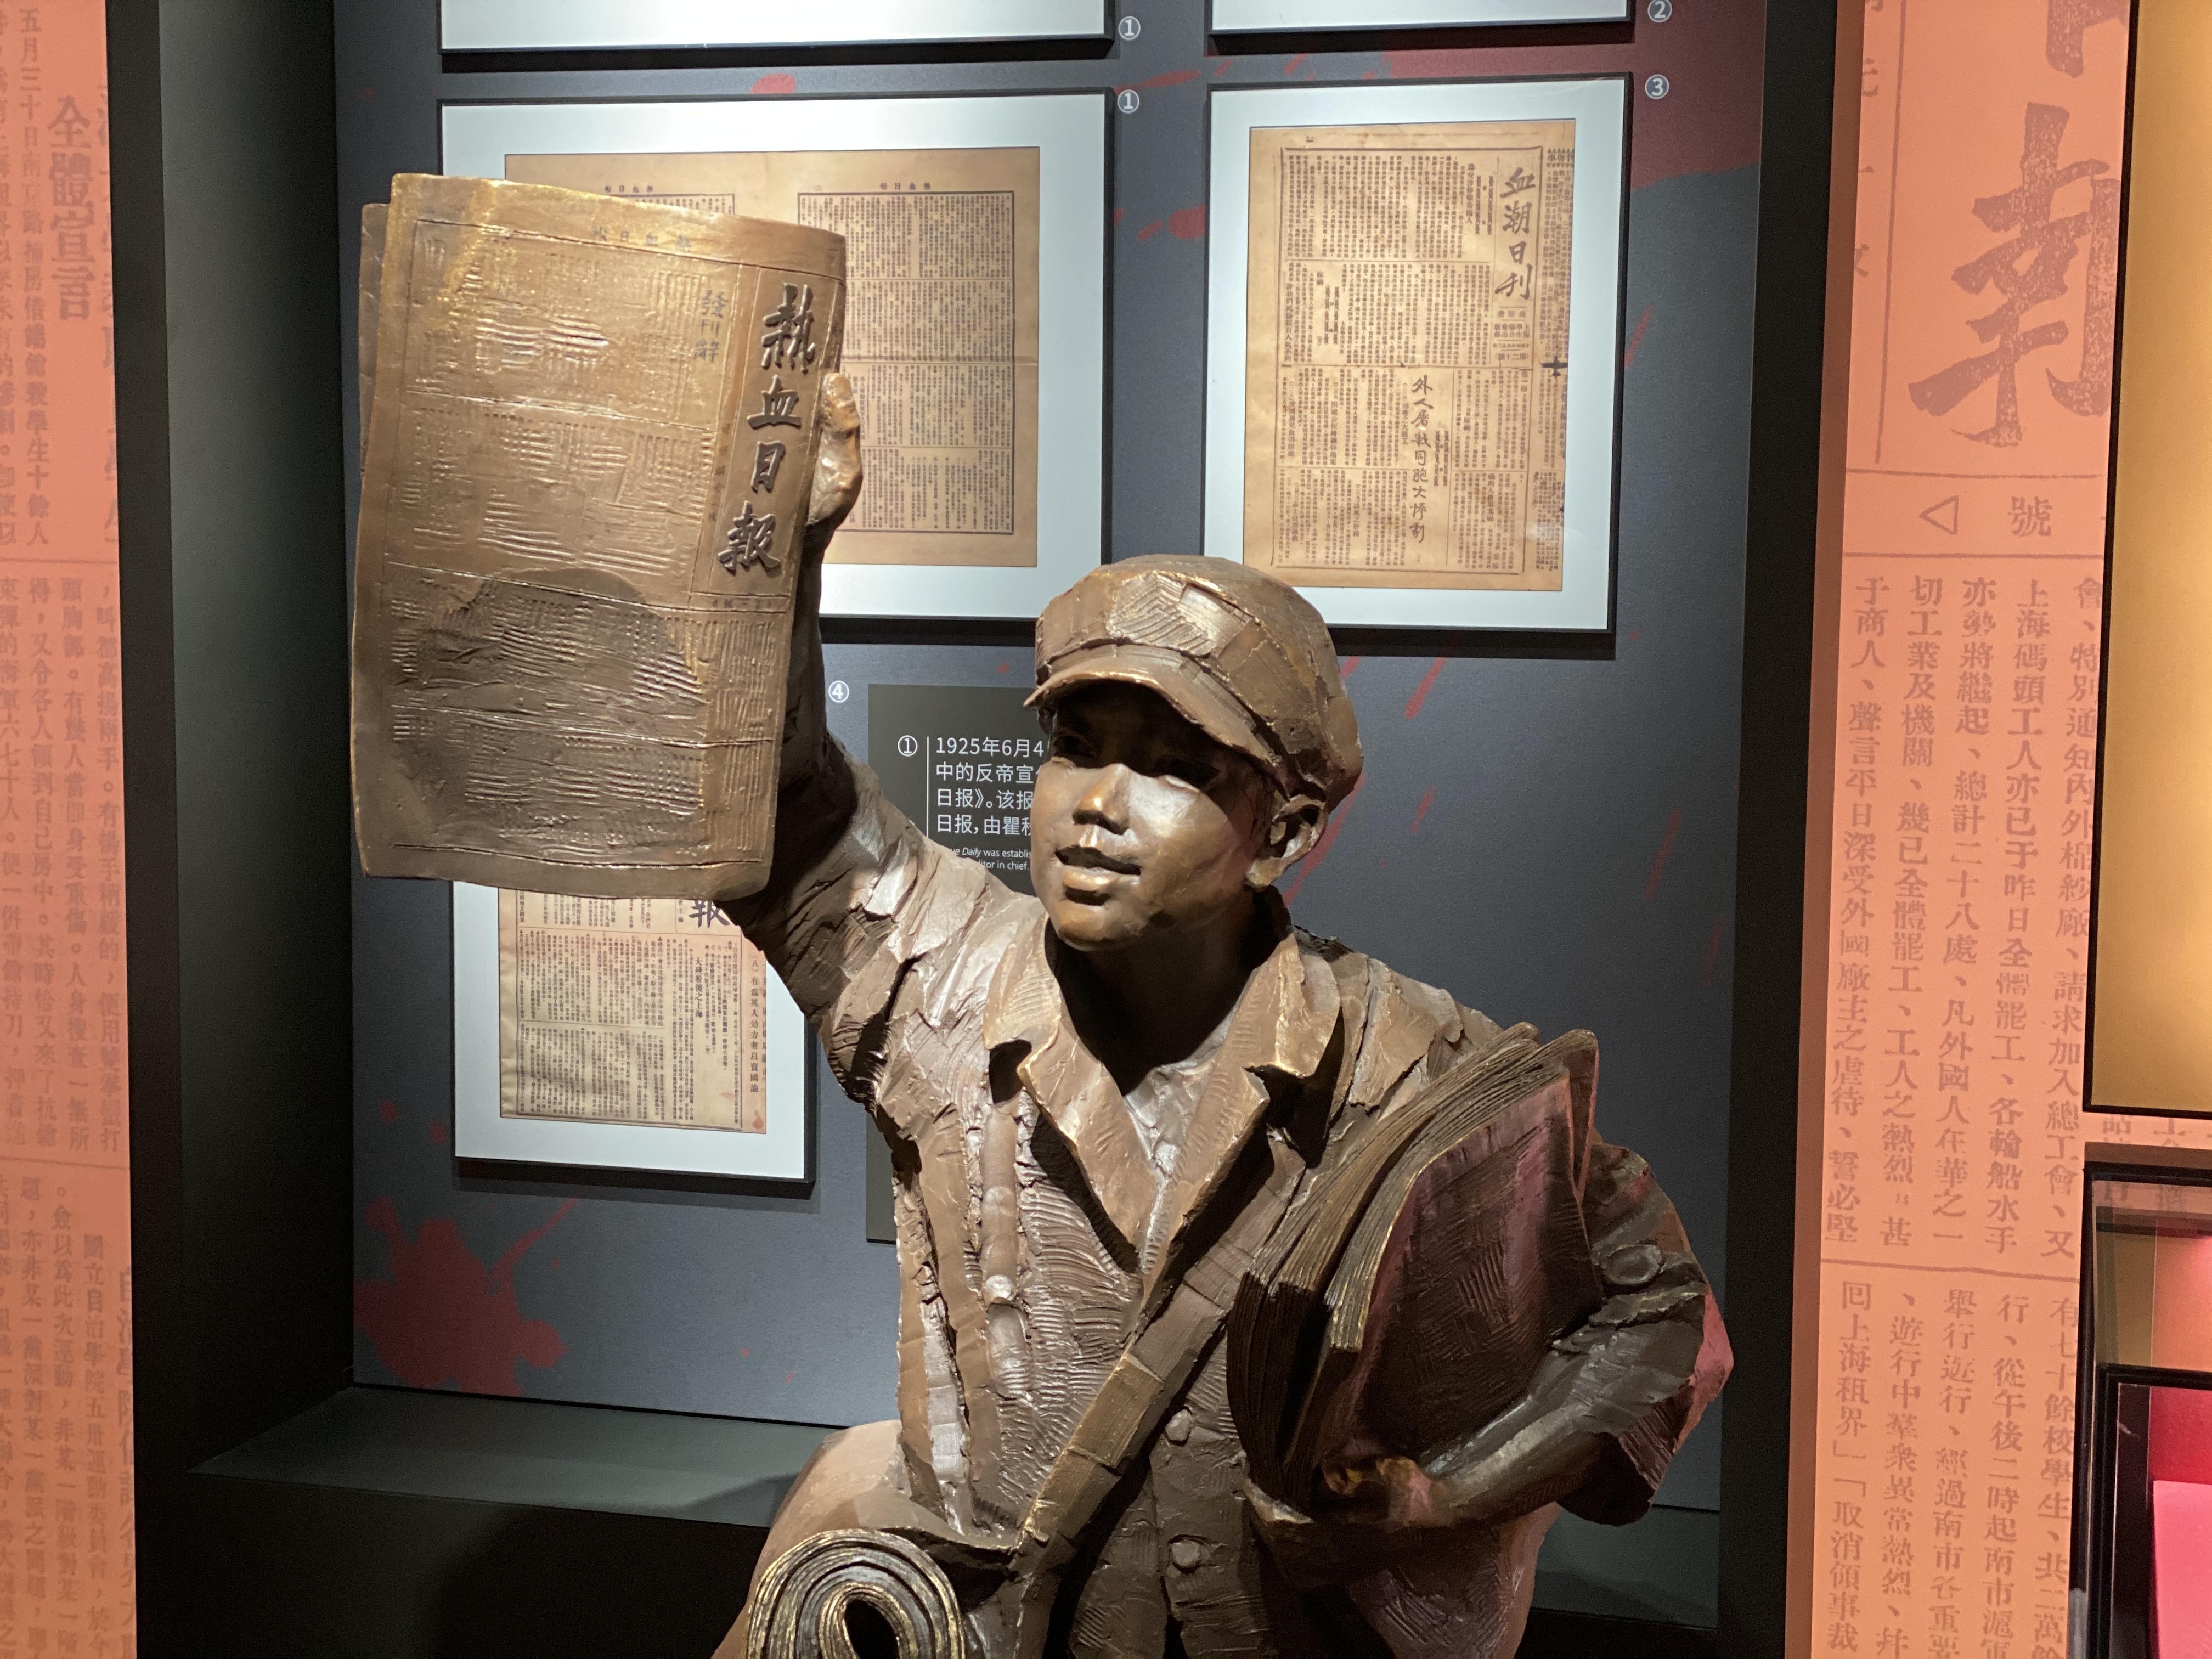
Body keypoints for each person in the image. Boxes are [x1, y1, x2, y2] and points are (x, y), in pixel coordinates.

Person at [716, 376, 1730, 1658]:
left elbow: (1660, 1314)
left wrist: (1446, 1497)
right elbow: (783, 812)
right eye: (1077, 744)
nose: (1096, 803)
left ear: (1284, 830)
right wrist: (785, 552)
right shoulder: (948, 986)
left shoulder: (1406, 1070)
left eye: (1172, 768)